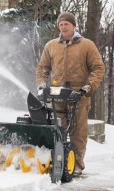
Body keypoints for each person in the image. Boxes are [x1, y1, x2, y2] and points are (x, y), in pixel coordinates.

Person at [36, 11, 105, 175]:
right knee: (57, 127)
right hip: (56, 93)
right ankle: (55, 160)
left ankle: (77, 164)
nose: (63, 27)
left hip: (78, 94)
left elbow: (98, 68)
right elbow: (43, 68)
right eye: (60, 24)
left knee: (78, 131)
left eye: (66, 23)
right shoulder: (51, 45)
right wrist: (41, 85)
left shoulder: (86, 45)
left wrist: (87, 87)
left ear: (73, 25)